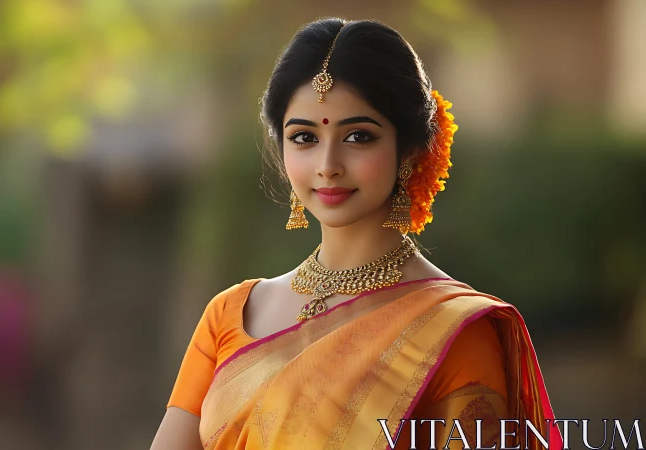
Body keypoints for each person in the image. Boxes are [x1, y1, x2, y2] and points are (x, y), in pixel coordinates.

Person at [151, 18, 562, 450]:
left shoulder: (453, 331)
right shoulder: (229, 315)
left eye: (358, 136)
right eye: (305, 137)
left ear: (409, 151)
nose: (328, 164)